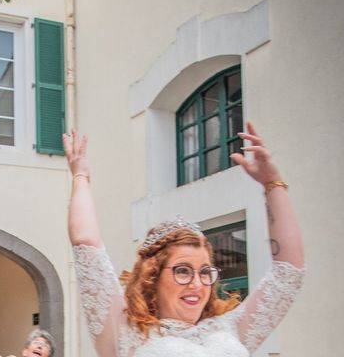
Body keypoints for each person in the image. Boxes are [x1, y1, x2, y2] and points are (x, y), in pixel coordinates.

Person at [63, 123, 305, 357]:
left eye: (204, 272)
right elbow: (86, 242)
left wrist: (273, 185)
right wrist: (80, 175)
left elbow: (288, 272)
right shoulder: (124, 333)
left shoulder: (229, 328)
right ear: (152, 277)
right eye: (182, 271)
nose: (197, 284)